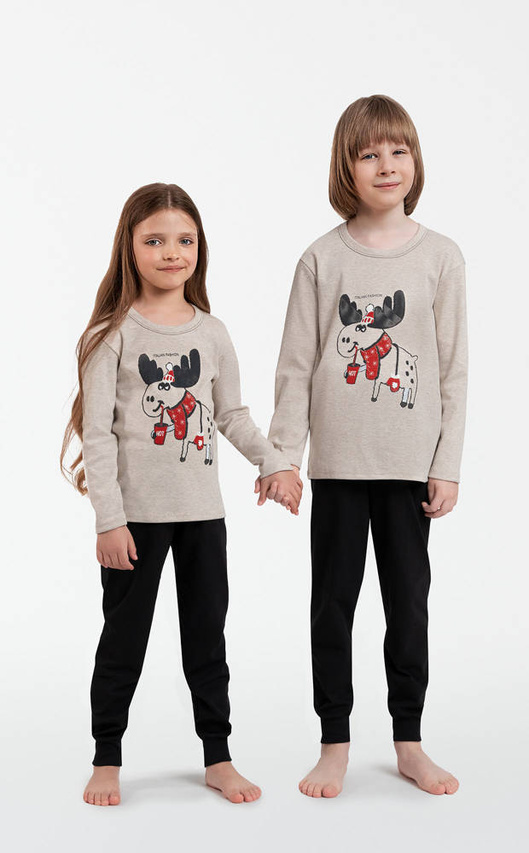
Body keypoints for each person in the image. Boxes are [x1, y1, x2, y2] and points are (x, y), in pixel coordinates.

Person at [61, 182, 302, 806]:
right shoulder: (111, 335)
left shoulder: (212, 333)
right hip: (134, 522)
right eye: (155, 241)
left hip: (202, 518)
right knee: (123, 641)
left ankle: (218, 757)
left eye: (185, 240)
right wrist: (108, 521)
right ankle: (106, 757)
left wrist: (275, 463)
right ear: (129, 247)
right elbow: (98, 436)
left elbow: (232, 415)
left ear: (200, 248)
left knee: (206, 640)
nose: (172, 252)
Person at [256, 95, 468, 797]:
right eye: (369, 153)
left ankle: (409, 741)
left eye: (398, 150)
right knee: (333, 606)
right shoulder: (321, 258)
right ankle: (335, 742)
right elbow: (295, 365)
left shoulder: (441, 257)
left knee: (408, 605)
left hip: (411, 467)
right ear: (346, 167)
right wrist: (282, 457)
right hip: (339, 467)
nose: (386, 165)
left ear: (415, 161)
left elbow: (454, 369)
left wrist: (446, 464)